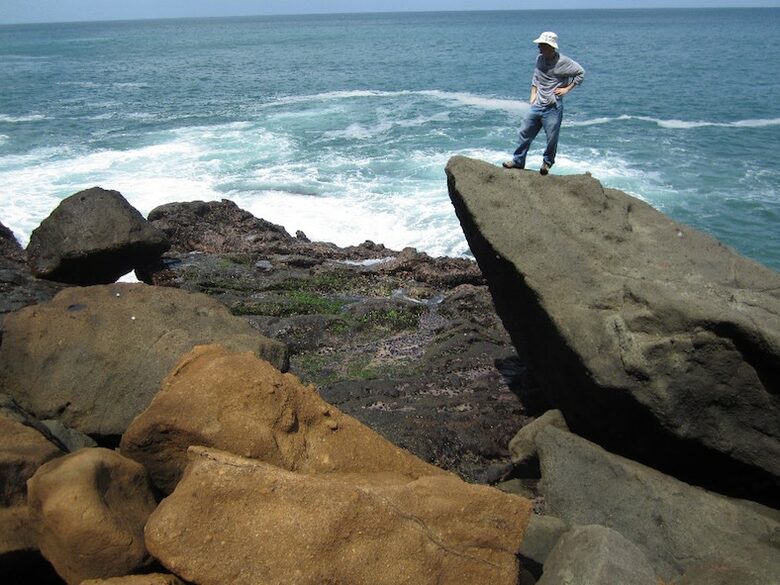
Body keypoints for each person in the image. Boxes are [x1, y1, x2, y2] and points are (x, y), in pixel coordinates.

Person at [503, 31, 584, 175]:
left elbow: (580, 73)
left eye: (541, 45)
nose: (539, 48)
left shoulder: (564, 62)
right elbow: (536, 76)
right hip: (538, 105)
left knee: (552, 137)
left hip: (553, 107)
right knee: (524, 132)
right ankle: (518, 161)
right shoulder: (539, 59)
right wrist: (533, 93)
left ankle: (547, 163)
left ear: (550, 47)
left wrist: (567, 89)